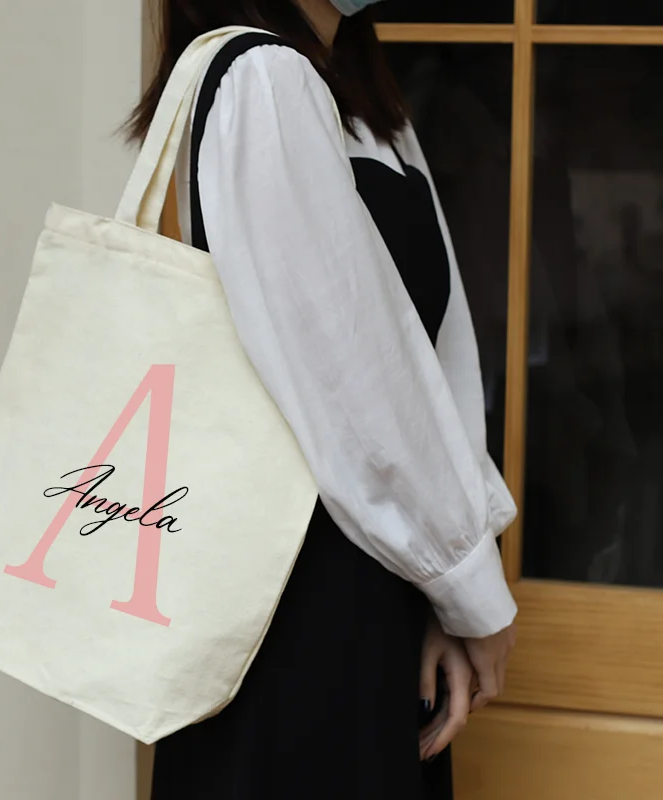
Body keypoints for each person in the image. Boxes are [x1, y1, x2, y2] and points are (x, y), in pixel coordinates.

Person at [120, 1, 518, 797]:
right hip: (300, 601)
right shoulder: (264, 78)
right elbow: (357, 379)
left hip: (379, 581)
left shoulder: (367, 107)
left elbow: (434, 369)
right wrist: (468, 585)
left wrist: (448, 587)